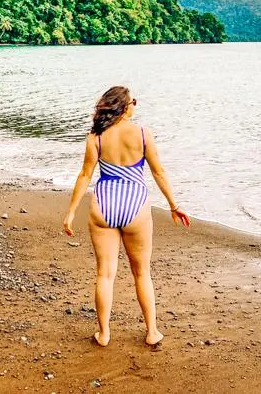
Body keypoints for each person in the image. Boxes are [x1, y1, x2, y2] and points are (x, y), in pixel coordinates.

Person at [62, 85, 191, 347]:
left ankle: (104, 334)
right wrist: (173, 205)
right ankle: (152, 332)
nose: (135, 105)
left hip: (104, 205)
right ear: (124, 106)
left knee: (105, 274)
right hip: (136, 207)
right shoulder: (143, 134)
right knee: (142, 273)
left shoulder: (95, 137)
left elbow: (85, 175)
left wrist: (71, 211)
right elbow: (158, 172)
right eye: (133, 101)